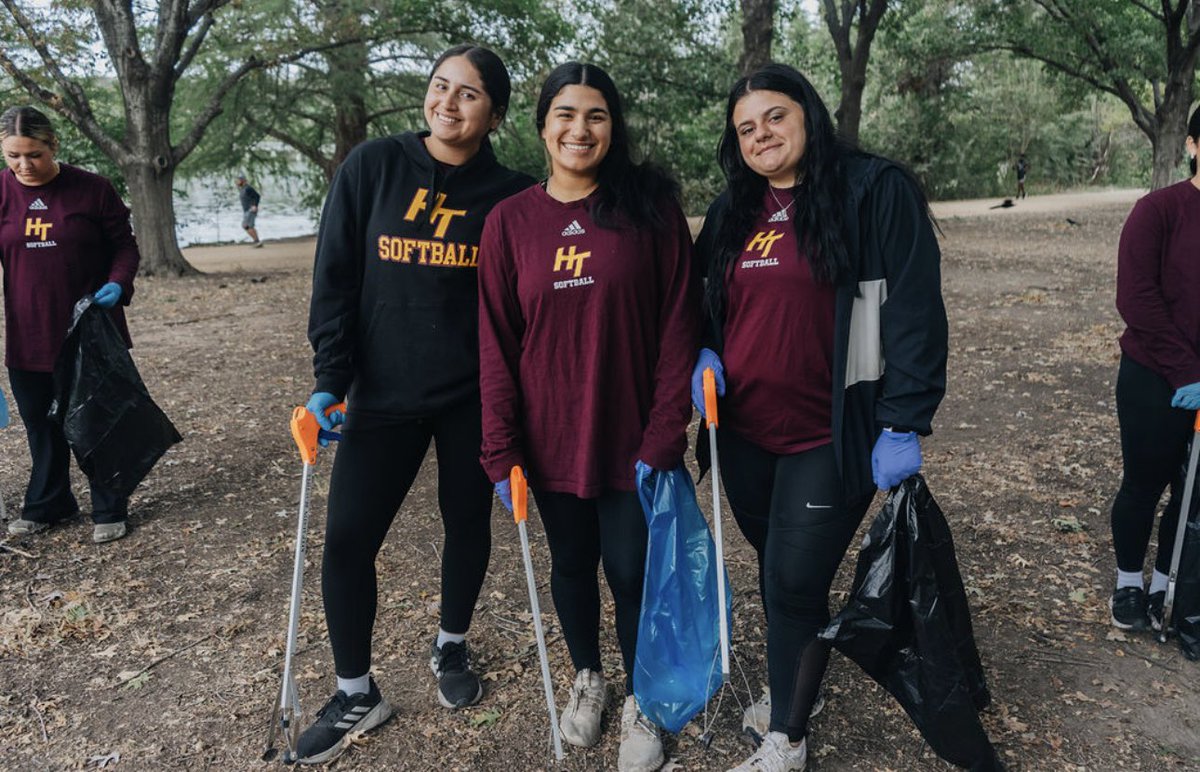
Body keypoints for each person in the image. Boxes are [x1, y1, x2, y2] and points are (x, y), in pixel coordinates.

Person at [690, 64, 946, 771]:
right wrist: (704, 349)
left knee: (793, 585)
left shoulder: (872, 190)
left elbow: (915, 312)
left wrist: (904, 417)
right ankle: (795, 680)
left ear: (808, 112)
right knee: (780, 570)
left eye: (774, 116)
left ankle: (788, 738)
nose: (761, 134)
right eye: (746, 128)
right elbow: (701, 301)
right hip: (741, 432)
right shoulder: (732, 209)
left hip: (830, 434)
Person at [295, 45, 533, 765]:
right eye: (440, 87)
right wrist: (328, 381)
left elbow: (528, 312)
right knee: (348, 541)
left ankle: (451, 646)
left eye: (469, 94)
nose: (449, 104)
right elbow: (334, 278)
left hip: (472, 399)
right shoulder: (371, 167)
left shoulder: (514, 196)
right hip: (383, 396)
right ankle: (356, 692)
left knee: (467, 525)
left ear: (495, 112)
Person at [478, 62, 699, 772]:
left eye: (596, 115)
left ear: (614, 126)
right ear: (542, 125)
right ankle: (588, 677)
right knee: (571, 564)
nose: (580, 129)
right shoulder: (510, 221)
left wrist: (668, 429)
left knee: (631, 570)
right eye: (566, 114)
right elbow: (497, 342)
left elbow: (678, 324)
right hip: (550, 440)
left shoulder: (651, 209)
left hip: (633, 436)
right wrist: (501, 450)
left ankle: (641, 699)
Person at [0, 105, 140, 545]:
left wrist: (117, 284)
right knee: (41, 425)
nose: (24, 165)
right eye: (13, 156)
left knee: (97, 419)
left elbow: (125, 248)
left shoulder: (92, 189)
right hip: (29, 333)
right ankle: (50, 503)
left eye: (34, 154)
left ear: (53, 145)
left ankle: (109, 507)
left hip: (90, 331)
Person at [1108, 105, 1200, 633]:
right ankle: (1127, 583)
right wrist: (1187, 371)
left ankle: (1166, 582)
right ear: (1191, 145)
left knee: (1194, 493)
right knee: (1145, 483)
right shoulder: (1158, 211)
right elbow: (1136, 297)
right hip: (1153, 376)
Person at [236, 174, 263, 247]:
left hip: (250, 210)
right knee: (248, 226)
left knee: (247, 225)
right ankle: (257, 241)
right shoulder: (243, 189)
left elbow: (257, 196)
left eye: (238, 181)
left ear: (243, 181)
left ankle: (257, 241)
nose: (237, 182)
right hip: (246, 210)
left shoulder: (248, 188)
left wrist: (255, 205)